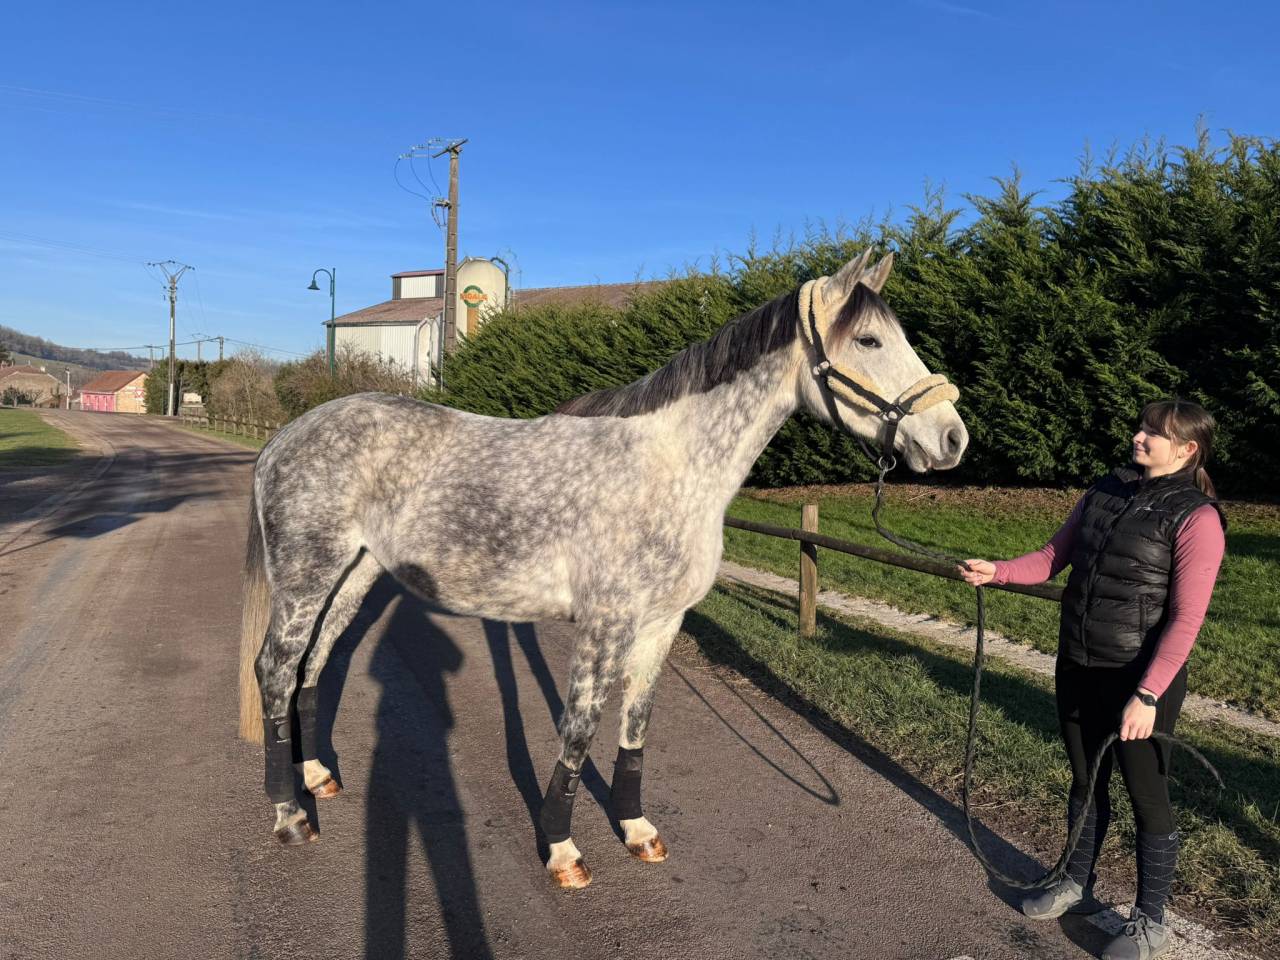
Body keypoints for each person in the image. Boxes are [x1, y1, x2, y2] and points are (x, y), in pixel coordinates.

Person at [959, 400, 1226, 960]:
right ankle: (1075, 882)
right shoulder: (1106, 490)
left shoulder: (1196, 517)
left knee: (1146, 796)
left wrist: (1148, 694)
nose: (1138, 436)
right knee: (1086, 781)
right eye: (1142, 427)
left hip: (1140, 682)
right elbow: (1054, 555)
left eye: (1153, 432)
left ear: (1186, 449)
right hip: (1078, 662)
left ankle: (1150, 921)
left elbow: (1185, 619)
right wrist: (999, 571)